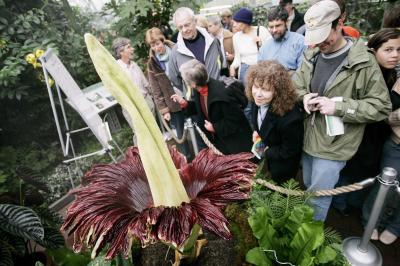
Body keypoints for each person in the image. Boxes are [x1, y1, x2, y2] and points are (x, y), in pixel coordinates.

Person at [294, 0, 391, 221]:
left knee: (318, 197)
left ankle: (307, 242)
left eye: (323, 35)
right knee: (310, 187)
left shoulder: (363, 61)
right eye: (314, 37)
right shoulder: (311, 56)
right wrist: (304, 97)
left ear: (339, 23)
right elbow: (297, 85)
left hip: (335, 145)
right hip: (308, 136)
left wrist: (338, 107)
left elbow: (381, 106)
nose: (319, 43)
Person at [362, 28, 400, 245]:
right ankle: (370, 220)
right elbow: (385, 114)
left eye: (398, 50)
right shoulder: (369, 73)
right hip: (374, 135)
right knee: (379, 180)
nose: (395, 55)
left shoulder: (395, 73)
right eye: (388, 50)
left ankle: (392, 225)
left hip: (382, 134)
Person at [171, 59, 252, 155]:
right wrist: (185, 104)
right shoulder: (199, 90)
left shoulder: (222, 95)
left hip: (237, 146)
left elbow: (234, 121)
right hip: (222, 144)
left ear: (193, 83)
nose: (184, 81)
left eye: (185, 80)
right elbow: (201, 109)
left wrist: (215, 127)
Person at [246, 61, 303, 184]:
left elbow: (290, 150)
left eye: (265, 89)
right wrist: (257, 133)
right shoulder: (257, 101)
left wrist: (266, 151)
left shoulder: (291, 118)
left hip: (283, 165)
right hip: (268, 156)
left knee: (280, 188)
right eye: (256, 87)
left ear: (278, 91)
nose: (258, 94)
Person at [145, 27, 190, 157]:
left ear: (163, 40)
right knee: (180, 135)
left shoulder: (177, 51)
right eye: (153, 45)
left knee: (197, 127)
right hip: (172, 102)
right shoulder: (152, 63)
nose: (156, 47)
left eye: (158, 43)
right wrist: (164, 110)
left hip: (187, 95)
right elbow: (155, 88)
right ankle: (187, 159)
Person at [168, 7, 222, 95]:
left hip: (217, 94)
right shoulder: (176, 52)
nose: (184, 30)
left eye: (187, 25)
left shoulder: (212, 41)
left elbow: (221, 64)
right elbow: (175, 80)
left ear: (195, 21)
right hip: (195, 102)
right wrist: (190, 93)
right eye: (180, 27)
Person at [112, 37, 155, 140]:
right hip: (133, 106)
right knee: (141, 136)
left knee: (154, 132)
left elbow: (145, 84)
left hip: (147, 101)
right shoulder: (116, 69)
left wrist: (152, 98)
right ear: (121, 52)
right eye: (128, 47)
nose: (132, 49)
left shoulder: (134, 64)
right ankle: (140, 156)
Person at [258, 7, 306, 74]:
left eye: (278, 26)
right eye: (271, 27)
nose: (274, 30)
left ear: (286, 23)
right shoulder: (265, 46)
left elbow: (303, 73)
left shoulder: (299, 41)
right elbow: (260, 71)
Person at [229, 8, 271, 84]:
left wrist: (261, 44)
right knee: (246, 95)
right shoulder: (236, 37)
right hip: (245, 71)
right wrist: (232, 67)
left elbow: (272, 52)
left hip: (261, 69)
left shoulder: (261, 31)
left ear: (245, 22)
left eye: (237, 22)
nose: (234, 25)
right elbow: (237, 59)